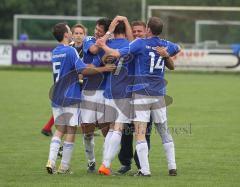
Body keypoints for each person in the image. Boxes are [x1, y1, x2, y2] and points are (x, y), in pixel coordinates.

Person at [97, 17, 180, 176]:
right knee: (164, 131)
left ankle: (145, 170)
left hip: (141, 94)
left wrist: (103, 45)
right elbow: (178, 48)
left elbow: (115, 53)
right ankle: (172, 166)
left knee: (139, 133)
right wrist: (166, 54)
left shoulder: (139, 43)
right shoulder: (165, 44)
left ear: (148, 29)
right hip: (159, 94)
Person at [46, 22, 116, 175]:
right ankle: (64, 167)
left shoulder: (55, 51)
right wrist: (103, 68)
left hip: (57, 95)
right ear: (66, 35)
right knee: (71, 131)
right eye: (70, 31)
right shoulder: (71, 50)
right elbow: (83, 69)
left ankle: (51, 160)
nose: (73, 33)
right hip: (71, 94)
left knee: (59, 131)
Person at [41, 23, 87, 137]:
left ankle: (48, 128)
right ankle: (86, 128)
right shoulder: (69, 48)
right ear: (70, 34)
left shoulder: (87, 47)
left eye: (81, 33)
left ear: (85, 35)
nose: (78, 36)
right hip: (72, 85)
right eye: (76, 33)